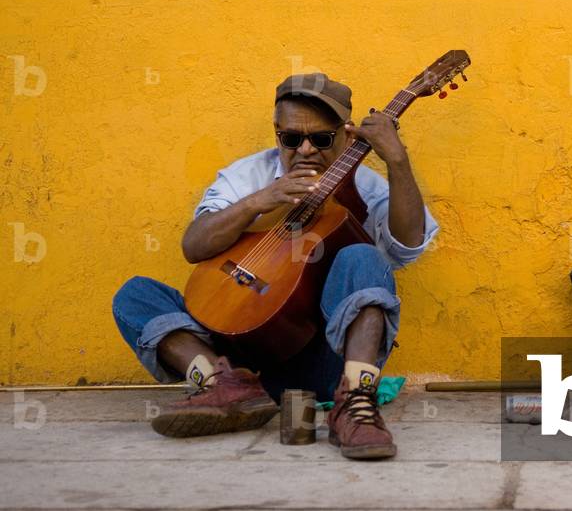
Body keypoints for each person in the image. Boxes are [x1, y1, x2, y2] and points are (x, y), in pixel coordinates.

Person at [112, 72, 438, 459]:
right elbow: (194, 246)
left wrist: (397, 160)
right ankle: (221, 385)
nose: (305, 150)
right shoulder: (249, 175)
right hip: (229, 352)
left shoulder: (367, 187)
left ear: (346, 135)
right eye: (291, 139)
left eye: (320, 139)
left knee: (365, 256)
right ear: (276, 133)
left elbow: (406, 248)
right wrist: (258, 202)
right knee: (135, 295)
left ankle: (354, 403)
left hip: (310, 359)